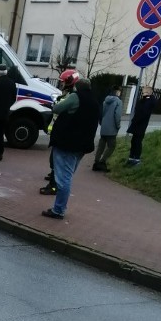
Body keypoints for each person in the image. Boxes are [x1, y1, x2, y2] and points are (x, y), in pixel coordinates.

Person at [42, 75, 100, 220]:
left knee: (63, 179)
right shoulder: (94, 100)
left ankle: (58, 210)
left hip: (67, 143)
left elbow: (57, 108)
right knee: (67, 176)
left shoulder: (75, 97)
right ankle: (59, 208)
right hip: (82, 146)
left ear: (77, 86)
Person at [40, 68, 78, 197]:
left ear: (69, 82)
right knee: (55, 161)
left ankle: (54, 186)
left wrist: (53, 106)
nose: (61, 84)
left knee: (56, 161)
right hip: (58, 131)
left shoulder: (71, 96)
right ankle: (53, 181)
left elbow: (58, 109)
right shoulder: (68, 94)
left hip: (61, 133)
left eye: (63, 82)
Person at [92, 83, 122, 171]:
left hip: (104, 126)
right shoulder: (118, 101)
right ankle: (102, 162)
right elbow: (117, 115)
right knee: (112, 146)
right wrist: (118, 126)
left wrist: (102, 122)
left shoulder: (105, 100)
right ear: (117, 92)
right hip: (112, 127)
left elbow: (102, 113)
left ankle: (96, 162)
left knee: (101, 145)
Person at [126, 84, 155, 166]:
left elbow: (143, 113)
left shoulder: (149, 102)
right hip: (137, 124)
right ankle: (131, 158)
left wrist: (135, 120)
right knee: (134, 141)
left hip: (140, 125)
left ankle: (136, 159)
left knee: (137, 142)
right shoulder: (144, 101)